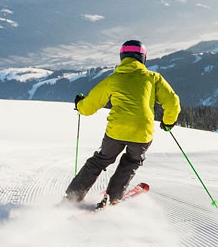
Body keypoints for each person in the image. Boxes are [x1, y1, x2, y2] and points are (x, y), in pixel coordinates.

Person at [65, 40, 181, 205]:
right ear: (143, 58)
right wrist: (168, 122)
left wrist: (79, 105)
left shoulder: (114, 79)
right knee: (131, 162)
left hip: (116, 130)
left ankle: (72, 197)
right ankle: (113, 197)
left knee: (99, 161)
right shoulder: (153, 78)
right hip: (142, 132)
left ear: (122, 57)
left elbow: (88, 108)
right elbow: (173, 102)